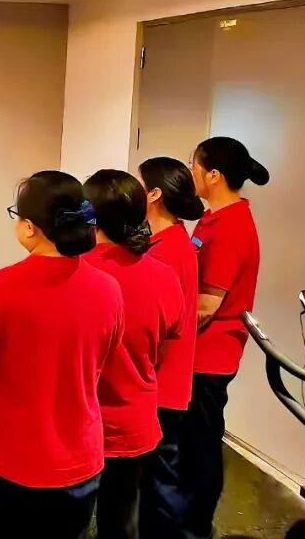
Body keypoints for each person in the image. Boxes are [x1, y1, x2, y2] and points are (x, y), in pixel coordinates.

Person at [0, 170, 123, 539]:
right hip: (77, 455)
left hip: (1, 455)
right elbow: (105, 359)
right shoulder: (109, 289)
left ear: (30, 227)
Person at [84, 170, 184, 539]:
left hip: (80, 425)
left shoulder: (76, 271)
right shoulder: (164, 276)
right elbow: (165, 345)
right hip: (134, 423)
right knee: (121, 521)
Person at [181, 137, 269, 539]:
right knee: (190, 443)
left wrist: (163, 331)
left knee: (201, 444)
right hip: (198, 353)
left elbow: (206, 307)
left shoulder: (232, 227)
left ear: (213, 175)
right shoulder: (212, 218)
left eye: (194, 165)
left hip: (211, 357)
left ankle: (196, 527)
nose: (190, 172)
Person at [137, 157, 204, 539]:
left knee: (161, 486)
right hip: (165, 382)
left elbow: (158, 330)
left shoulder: (167, 252)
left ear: (154, 194)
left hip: (163, 385)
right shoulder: (168, 240)